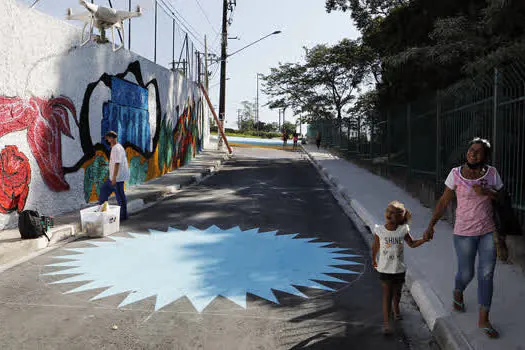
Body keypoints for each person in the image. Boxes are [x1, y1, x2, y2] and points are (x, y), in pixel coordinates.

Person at [423, 137, 503, 339]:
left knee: (486, 275)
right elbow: (443, 202)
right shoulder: (456, 174)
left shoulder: (492, 173)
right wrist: (431, 225)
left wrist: (487, 191)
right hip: (464, 233)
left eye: (478, 151)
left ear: (485, 156)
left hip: (487, 231)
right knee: (466, 274)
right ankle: (458, 290)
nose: (473, 153)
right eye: (471, 150)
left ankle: (484, 319)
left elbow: (503, 197)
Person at [372, 201, 428, 335]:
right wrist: (373, 258)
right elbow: (375, 246)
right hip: (385, 269)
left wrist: (424, 239)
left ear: (400, 218)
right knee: (387, 295)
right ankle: (387, 323)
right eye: (388, 210)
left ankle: (396, 309)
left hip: (398, 269)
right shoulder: (379, 230)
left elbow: (412, 243)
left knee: (397, 293)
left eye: (393, 213)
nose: (389, 214)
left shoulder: (403, 230)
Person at [99, 131, 130, 221]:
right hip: (115, 177)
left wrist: (114, 178)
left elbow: (117, 163)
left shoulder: (116, 148)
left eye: (108, 138)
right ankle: (103, 211)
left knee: (119, 196)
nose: (107, 140)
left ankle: (123, 215)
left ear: (112, 138)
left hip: (117, 178)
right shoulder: (118, 147)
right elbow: (115, 162)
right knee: (105, 190)